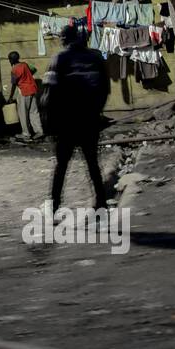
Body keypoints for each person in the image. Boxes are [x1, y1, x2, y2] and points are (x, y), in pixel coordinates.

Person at [41, 24, 110, 210]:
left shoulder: (59, 58)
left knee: (61, 166)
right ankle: (101, 204)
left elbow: (48, 93)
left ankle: (54, 206)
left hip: (67, 122)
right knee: (93, 165)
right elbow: (105, 89)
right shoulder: (95, 57)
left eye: (61, 37)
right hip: (90, 120)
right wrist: (96, 112)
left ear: (64, 39)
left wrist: (48, 124)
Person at [6, 51, 42, 139]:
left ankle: (26, 134)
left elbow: (14, 84)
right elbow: (34, 69)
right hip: (33, 89)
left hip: (24, 92)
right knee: (34, 112)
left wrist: (10, 96)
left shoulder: (14, 70)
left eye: (9, 59)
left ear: (11, 60)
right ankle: (39, 131)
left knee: (23, 113)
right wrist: (28, 76)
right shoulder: (25, 64)